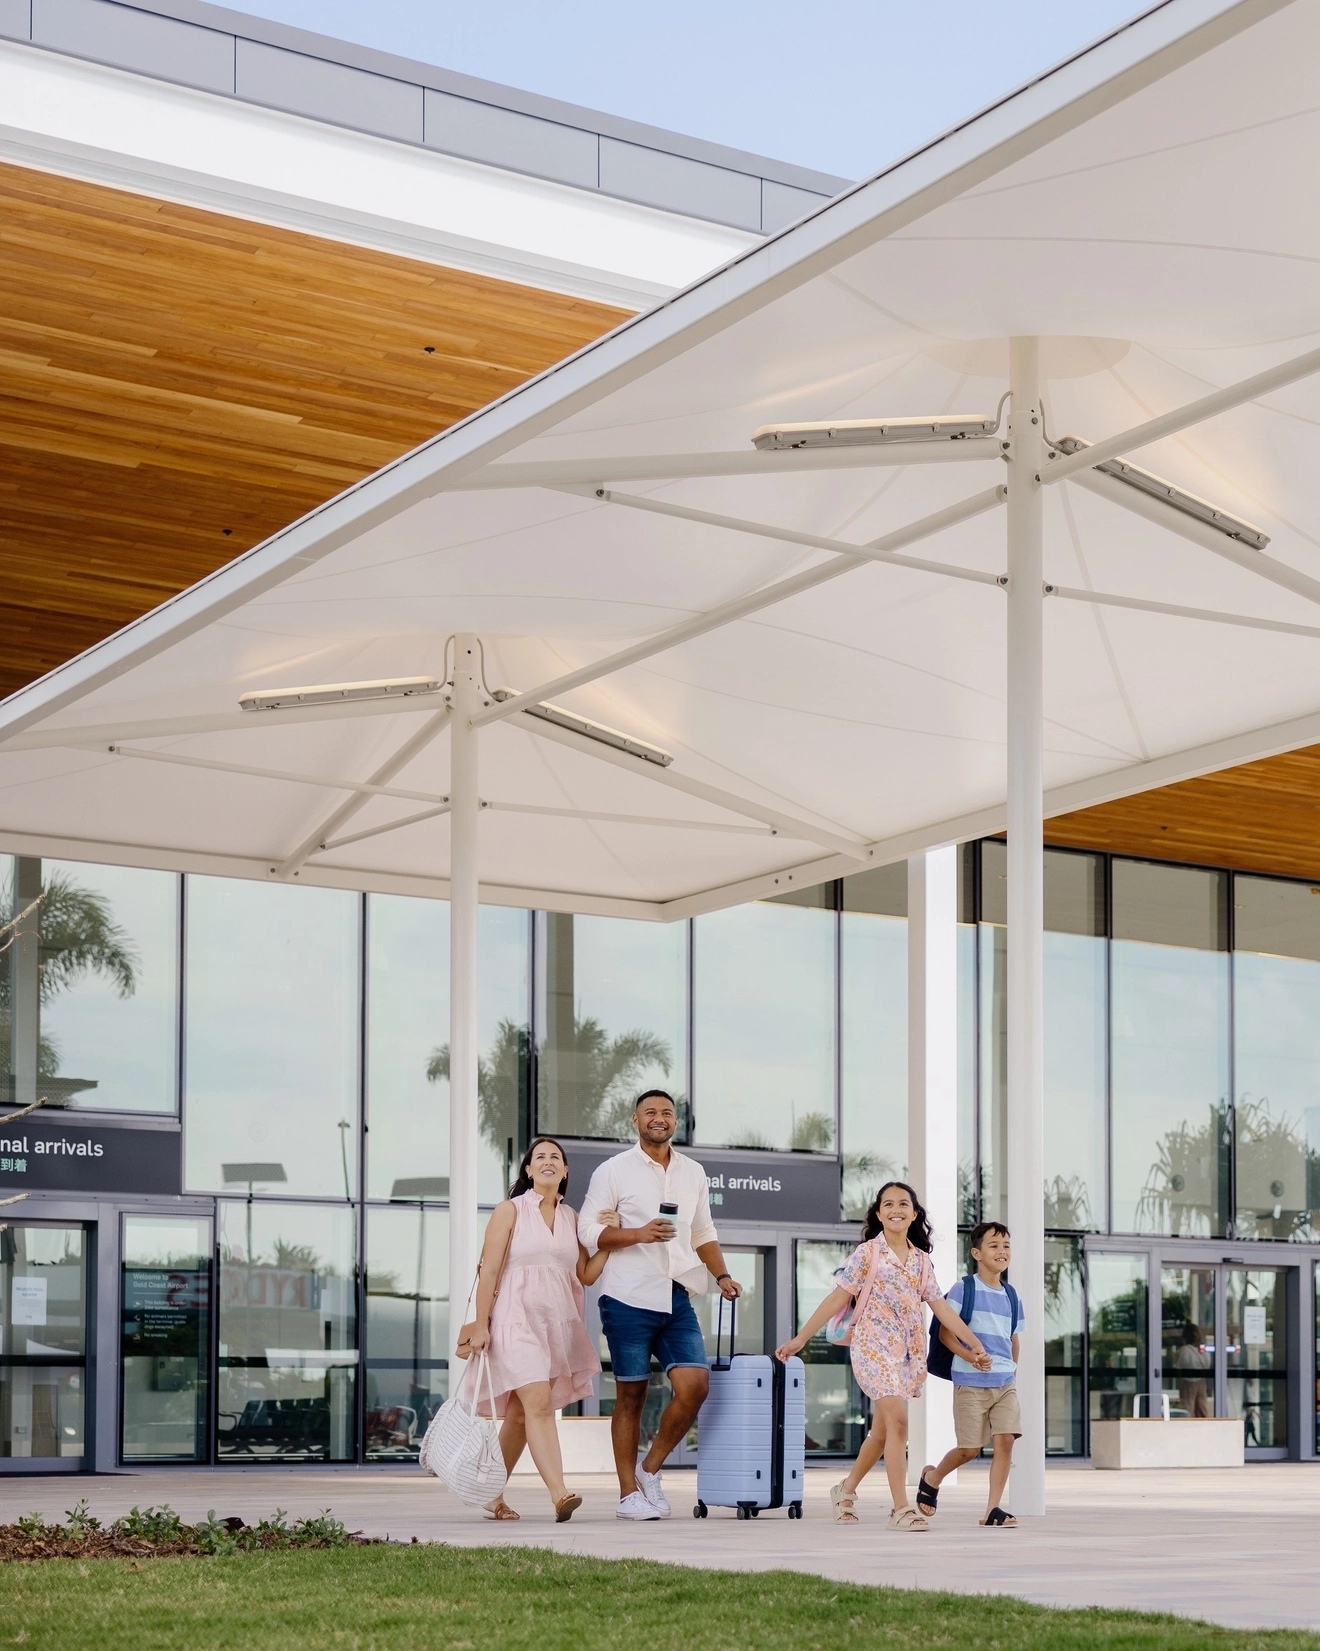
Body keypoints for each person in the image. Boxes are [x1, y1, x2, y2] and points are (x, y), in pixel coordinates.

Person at [775, 1180, 988, 1531]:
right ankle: (901, 1509)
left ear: (914, 1214)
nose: (896, 1210)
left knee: (881, 1434)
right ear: (878, 1213)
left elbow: (942, 1310)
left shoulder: (921, 1261)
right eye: (888, 1204)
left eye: (903, 1204)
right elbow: (837, 1298)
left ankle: (844, 1490)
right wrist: (800, 1339)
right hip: (873, 1348)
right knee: (899, 1424)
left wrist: (973, 1345)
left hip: (907, 1353)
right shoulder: (867, 1254)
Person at [578, 1088, 742, 1521]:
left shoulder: (693, 1172)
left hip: (676, 1295)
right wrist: (638, 1233)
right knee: (631, 1395)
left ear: (675, 1121)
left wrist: (722, 1275)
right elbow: (587, 1230)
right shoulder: (613, 1170)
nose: (659, 1118)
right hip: (627, 1295)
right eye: (650, 1112)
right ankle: (627, 1494)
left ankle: (649, 1471)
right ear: (635, 1120)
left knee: (695, 1386)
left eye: (667, 1113)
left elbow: (703, 1232)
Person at [465, 1136, 615, 1523]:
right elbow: (490, 1271)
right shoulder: (509, 1211)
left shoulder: (571, 1218)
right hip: (515, 1321)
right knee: (539, 1404)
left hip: (555, 1327)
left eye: (556, 1158)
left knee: (519, 1415)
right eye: (539, 1157)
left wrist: (609, 1244)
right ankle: (559, 1493)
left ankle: (491, 1493)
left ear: (565, 1171)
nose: (548, 1162)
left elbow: (584, 1274)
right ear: (529, 1170)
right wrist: (481, 1325)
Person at [914, 1219, 1022, 1528]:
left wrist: (1012, 1371)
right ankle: (933, 1477)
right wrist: (970, 1358)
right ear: (976, 1252)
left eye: (1006, 1245)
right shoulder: (965, 1288)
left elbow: (1013, 1338)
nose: (1002, 1251)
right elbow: (946, 1334)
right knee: (969, 1449)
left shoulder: (1012, 1295)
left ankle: (992, 1509)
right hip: (970, 1383)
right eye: (994, 1245)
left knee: (1005, 1441)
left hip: (1005, 1384)